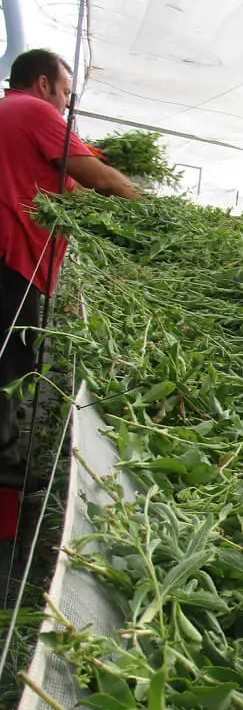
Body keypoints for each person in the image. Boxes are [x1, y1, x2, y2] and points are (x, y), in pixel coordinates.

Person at [0, 48, 139, 460]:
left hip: (10, 254)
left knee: (11, 354)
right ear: (43, 83)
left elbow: (62, 183)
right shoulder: (35, 112)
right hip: (12, 257)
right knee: (13, 359)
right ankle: (4, 456)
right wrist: (143, 205)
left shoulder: (9, 112)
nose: (64, 103)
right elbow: (95, 176)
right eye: (63, 91)